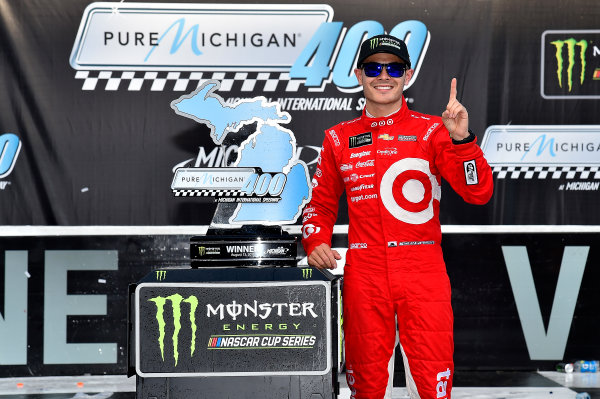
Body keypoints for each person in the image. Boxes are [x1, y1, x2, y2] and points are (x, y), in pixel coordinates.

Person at [301, 34, 493, 399]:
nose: (383, 75)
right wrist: (316, 240)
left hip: (423, 272)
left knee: (432, 387)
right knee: (367, 389)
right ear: (359, 75)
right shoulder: (338, 138)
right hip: (365, 275)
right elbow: (320, 202)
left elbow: (478, 192)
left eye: (393, 67)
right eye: (374, 67)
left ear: (407, 75)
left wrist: (463, 140)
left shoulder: (435, 130)